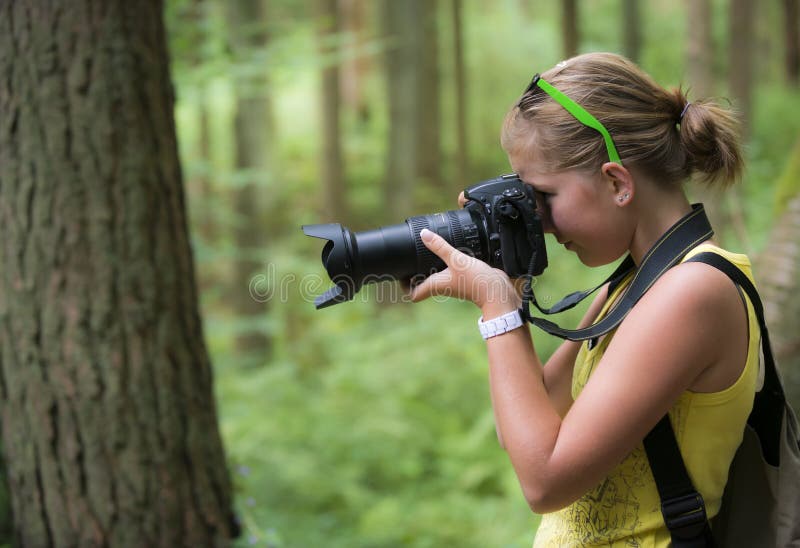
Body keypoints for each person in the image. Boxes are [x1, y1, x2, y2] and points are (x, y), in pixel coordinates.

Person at [408, 52, 760, 546]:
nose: (541, 224)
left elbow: (544, 480)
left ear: (617, 182)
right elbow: (527, 432)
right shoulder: (637, 284)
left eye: (544, 198)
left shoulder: (693, 290)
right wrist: (507, 289)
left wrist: (498, 311)